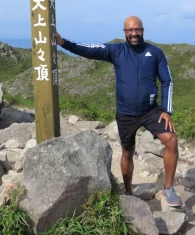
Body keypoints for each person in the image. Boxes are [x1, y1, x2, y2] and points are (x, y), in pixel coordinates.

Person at [53, 15, 182, 207]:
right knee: (127, 152)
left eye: (137, 29)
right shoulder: (116, 50)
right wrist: (64, 43)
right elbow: (90, 50)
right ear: (124, 32)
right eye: (129, 30)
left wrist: (166, 110)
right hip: (126, 112)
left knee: (171, 140)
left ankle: (169, 189)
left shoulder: (155, 53)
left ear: (143, 30)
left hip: (151, 111)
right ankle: (128, 191)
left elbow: (167, 81)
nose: (133, 33)